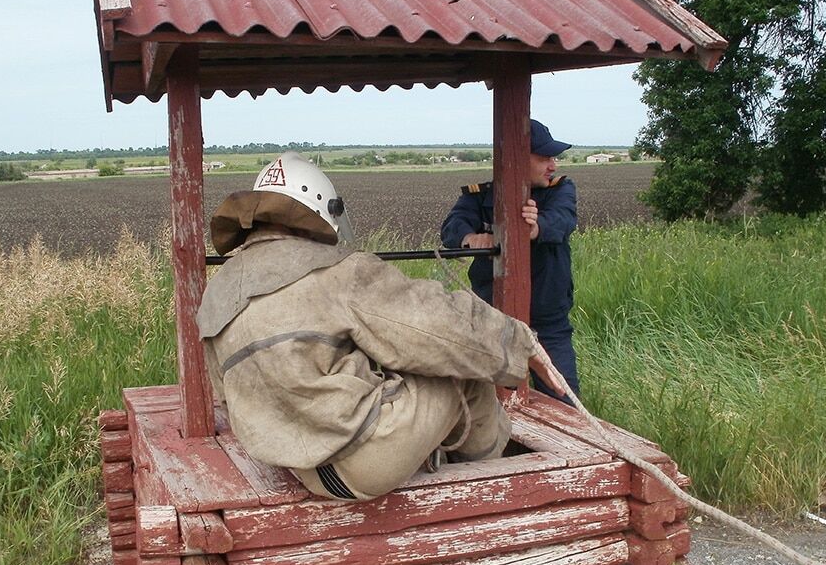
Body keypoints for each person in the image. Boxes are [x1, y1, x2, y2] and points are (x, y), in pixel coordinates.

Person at [196, 151, 563, 501]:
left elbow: (226, 395)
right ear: (321, 210)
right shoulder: (336, 271)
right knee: (463, 367)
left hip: (301, 467)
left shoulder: (218, 291)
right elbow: (437, 326)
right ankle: (492, 488)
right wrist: (517, 344)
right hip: (363, 461)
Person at [440, 119, 580, 402]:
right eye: (544, 158)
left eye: (553, 158)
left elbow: (562, 219)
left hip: (548, 323)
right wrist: (470, 239)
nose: (553, 165)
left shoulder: (560, 190)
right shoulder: (479, 197)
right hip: (495, 323)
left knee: (564, 400)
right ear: (515, 159)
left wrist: (535, 227)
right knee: (493, 404)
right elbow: (452, 226)